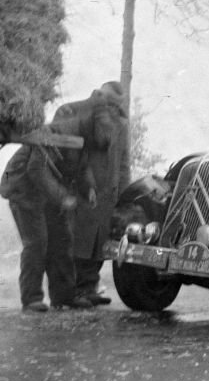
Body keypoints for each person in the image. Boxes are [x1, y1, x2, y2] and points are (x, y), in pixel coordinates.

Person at [0, 115, 95, 312]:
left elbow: (82, 167)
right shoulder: (52, 135)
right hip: (23, 190)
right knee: (36, 243)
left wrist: (89, 189)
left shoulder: (82, 139)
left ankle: (64, 297)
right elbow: (37, 171)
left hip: (45, 195)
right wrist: (62, 198)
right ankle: (31, 298)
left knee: (62, 240)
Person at [53, 81, 131, 306]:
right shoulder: (75, 110)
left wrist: (125, 196)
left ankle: (89, 288)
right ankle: (74, 291)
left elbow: (124, 162)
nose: (112, 108)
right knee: (79, 241)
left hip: (109, 192)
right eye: (109, 102)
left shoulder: (122, 124)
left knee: (99, 244)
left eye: (116, 104)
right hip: (83, 187)